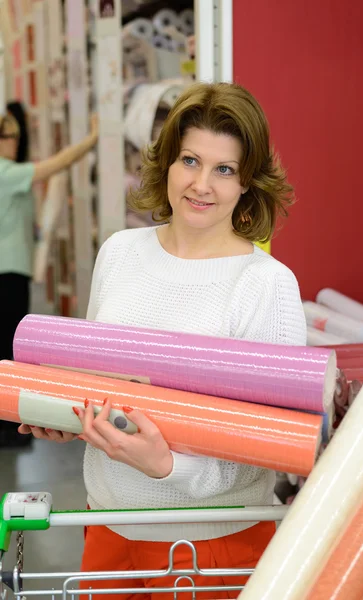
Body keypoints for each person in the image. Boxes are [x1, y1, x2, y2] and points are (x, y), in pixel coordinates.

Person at [19, 82, 306, 599]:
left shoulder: (266, 284)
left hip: (209, 547)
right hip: (106, 530)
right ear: (167, 163)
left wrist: (169, 467)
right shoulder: (120, 253)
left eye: (224, 169)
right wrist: (68, 418)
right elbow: (94, 378)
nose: (201, 184)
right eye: (190, 160)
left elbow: (273, 448)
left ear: (248, 182)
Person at [0, 105, 98, 447]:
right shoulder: (6, 171)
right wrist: (93, 139)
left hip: (11, 269)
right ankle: (9, 427)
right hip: (7, 272)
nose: (16, 141)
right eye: (10, 135)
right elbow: (56, 165)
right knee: (8, 350)